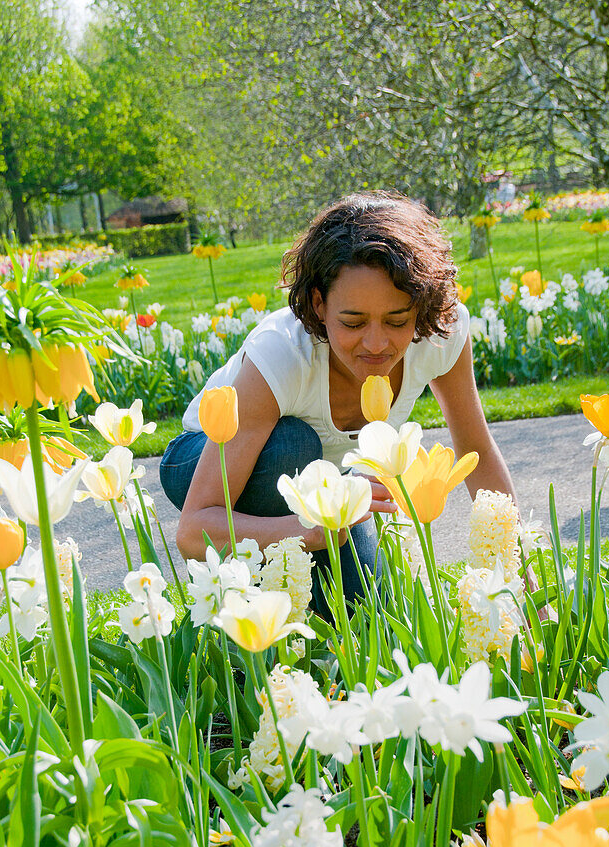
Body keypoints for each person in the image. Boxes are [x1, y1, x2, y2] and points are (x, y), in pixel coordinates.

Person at [161, 190, 518, 613]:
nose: (376, 343)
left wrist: (518, 577)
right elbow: (192, 531)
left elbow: (476, 449)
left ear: (420, 308)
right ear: (319, 303)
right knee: (293, 445)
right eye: (352, 322)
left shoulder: (441, 334)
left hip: (329, 489)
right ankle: (243, 623)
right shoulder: (281, 356)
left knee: (370, 619)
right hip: (205, 461)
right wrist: (309, 530)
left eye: (397, 320)